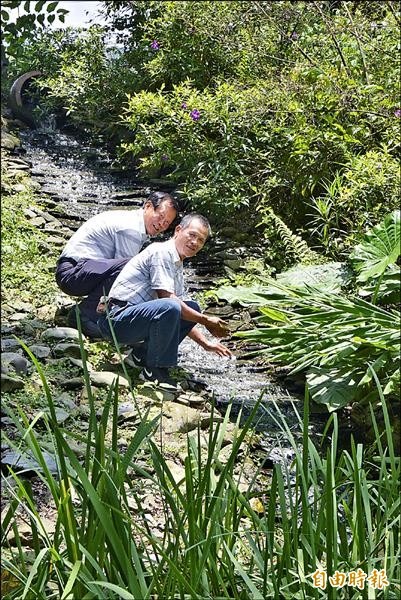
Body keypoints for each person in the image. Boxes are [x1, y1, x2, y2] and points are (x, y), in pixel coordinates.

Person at [97, 213, 232, 386]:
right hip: (116, 320)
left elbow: (178, 313)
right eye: (192, 235)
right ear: (178, 230)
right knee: (172, 306)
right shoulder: (162, 252)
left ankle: (141, 356)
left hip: (132, 321)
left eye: (200, 240)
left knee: (191, 307)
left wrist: (206, 344)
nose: (195, 242)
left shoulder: (177, 263)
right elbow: (168, 302)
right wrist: (206, 321)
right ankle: (154, 371)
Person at [55, 192, 179, 337]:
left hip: (78, 270)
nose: (161, 225)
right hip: (72, 272)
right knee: (131, 267)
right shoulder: (131, 228)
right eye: (160, 216)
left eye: (166, 223)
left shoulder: (133, 223)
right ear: (148, 206)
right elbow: (128, 276)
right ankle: (85, 316)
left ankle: (92, 312)